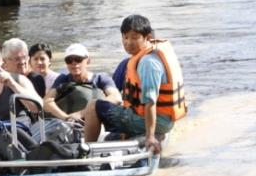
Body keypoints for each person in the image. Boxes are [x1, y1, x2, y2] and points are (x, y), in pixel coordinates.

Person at [84, 15, 187, 154]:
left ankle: (85, 152)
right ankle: (123, 136)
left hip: (153, 121)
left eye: (134, 37)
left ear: (148, 37)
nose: (128, 42)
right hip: (164, 120)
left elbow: (151, 102)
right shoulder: (148, 55)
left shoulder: (147, 62)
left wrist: (150, 137)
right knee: (118, 108)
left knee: (92, 106)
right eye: (125, 37)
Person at [44, 43, 121, 121]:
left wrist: (81, 113)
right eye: (69, 60)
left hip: (96, 123)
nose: (74, 63)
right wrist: (66, 118)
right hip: (69, 123)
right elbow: (47, 101)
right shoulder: (63, 79)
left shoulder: (101, 78)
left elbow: (116, 98)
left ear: (88, 61)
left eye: (78, 59)